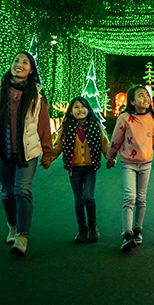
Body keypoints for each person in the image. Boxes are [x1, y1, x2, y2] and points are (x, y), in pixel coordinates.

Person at [0, 51, 53, 257]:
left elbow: (43, 126)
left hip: (28, 151)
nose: (19, 64)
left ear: (31, 70)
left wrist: (47, 152)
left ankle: (22, 236)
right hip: (1, 149)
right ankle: (12, 226)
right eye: (16, 60)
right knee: (7, 192)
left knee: (22, 190)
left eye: (25, 62)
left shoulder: (37, 94)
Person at [107, 85, 154, 251]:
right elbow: (116, 139)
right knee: (129, 197)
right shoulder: (125, 118)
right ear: (132, 101)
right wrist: (111, 156)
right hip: (129, 164)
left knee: (141, 198)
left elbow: (152, 139)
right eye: (141, 96)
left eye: (147, 96)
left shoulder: (151, 117)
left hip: (146, 164)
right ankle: (127, 233)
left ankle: (138, 230)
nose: (145, 99)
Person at [52, 96, 109, 244]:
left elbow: (105, 143)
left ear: (88, 110)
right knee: (78, 200)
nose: (80, 110)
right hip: (74, 169)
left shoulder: (96, 125)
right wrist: (48, 159)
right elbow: (57, 145)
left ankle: (93, 226)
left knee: (89, 198)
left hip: (90, 168)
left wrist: (111, 157)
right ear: (70, 112)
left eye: (83, 106)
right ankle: (81, 229)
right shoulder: (66, 128)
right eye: (76, 107)